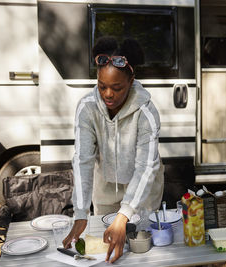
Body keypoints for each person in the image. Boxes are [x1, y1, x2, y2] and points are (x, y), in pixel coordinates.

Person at [62, 37, 164, 262]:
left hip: (144, 190)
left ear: (131, 81)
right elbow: (83, 161)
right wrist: (80, 213)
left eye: (117, 88)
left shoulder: (146, 112)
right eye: (102, 86)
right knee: (106, 247)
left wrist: (124, 214)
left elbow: (146, 167)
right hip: (106, 185)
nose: (108, 94)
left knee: (140, 250)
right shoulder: (87, 108)